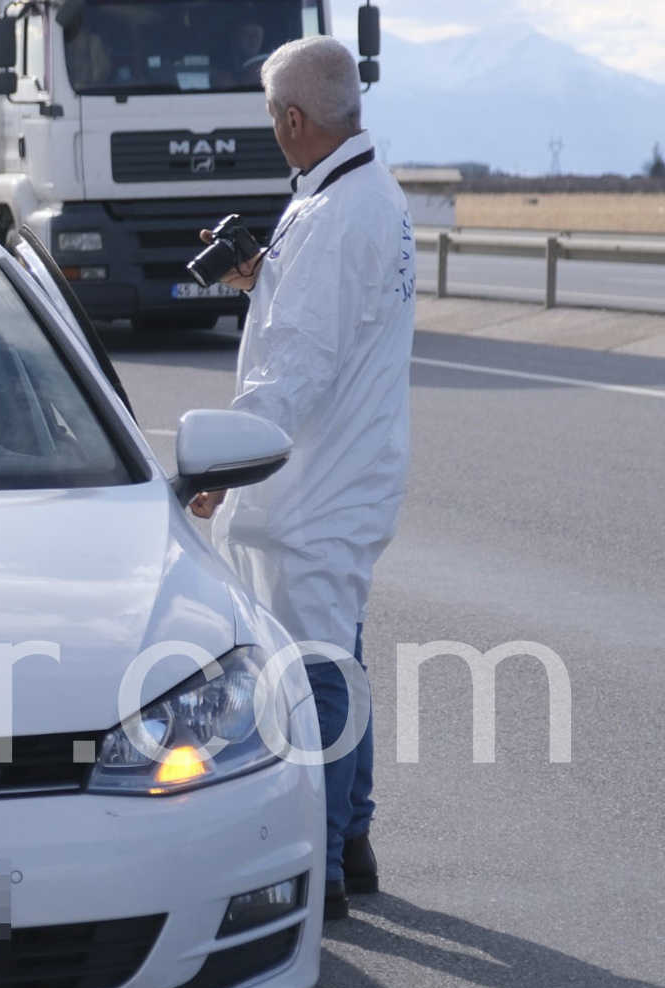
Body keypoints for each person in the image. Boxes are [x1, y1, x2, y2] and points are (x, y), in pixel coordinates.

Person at [187, 36, 414, 919]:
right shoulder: (361, 193)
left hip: (315, 487)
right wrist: (264, 281)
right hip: (348, 473)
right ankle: (351, 839)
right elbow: (328, 323)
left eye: (268, 115)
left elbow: (294, 369)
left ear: (291, 118)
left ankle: (318, 870)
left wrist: (224, 461)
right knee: (337, 654)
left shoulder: (332, 216)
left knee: (315, 669)